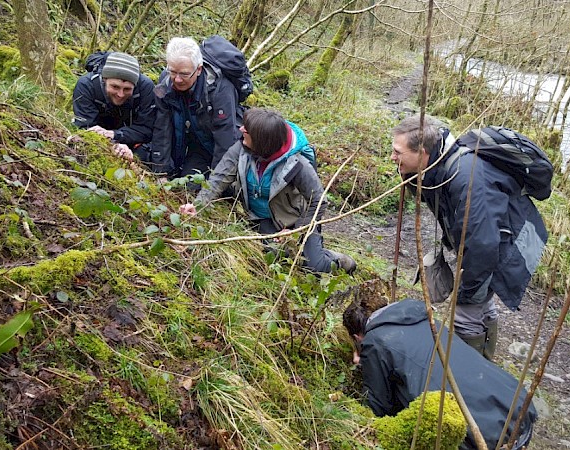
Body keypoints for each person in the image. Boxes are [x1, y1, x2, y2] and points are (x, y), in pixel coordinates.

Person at [390, 115, 548, 360]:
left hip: (503, 247)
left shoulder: (466, 177)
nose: (393, 157)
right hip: (494, 240)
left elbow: (483, 245)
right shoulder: (437, 164)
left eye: (398, 152)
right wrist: (410, 175)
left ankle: (467, 378)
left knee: (465, 314)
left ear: (422, 152)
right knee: (482, 305)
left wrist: (465, 291)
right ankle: (485, 363)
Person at [343, 295, 537, 450]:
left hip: (478, 435)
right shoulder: (426, 318)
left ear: (356, 336)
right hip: (516, 401)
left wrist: (365, 362)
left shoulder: (375, 342)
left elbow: (378, 406)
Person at [179, 108, 356, 274]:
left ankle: (339, 260)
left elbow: (318, 200)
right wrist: (197, 206)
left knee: (314, 267)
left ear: (261, 141)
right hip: (263, 218)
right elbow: (218, 179)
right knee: (275, 255)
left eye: (246, 129)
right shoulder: (241, 148)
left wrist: (296, 232)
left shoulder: (298, 163)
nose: (241, 129)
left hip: (296, 222)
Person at [150, 37, 243, 180]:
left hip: (223, 145)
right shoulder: (165, 82)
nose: (177, 79)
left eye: (184, 74)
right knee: (188, 184)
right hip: (198, 145)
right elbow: (162, 129)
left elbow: (226, 139)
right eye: (173, 71)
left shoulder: (220, 90)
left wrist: (215, 185)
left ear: (198, 69)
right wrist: (160, 172)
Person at [72, 52, 156, 163]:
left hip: (132, 140)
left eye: (127, 89)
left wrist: (115, 135)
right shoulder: (87, 86)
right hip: (100, 138)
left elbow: (146, 129)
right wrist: (112, 145)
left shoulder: (145, 88)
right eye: (115, 87)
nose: (120, 94)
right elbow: (85, 128)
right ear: (104, 79)